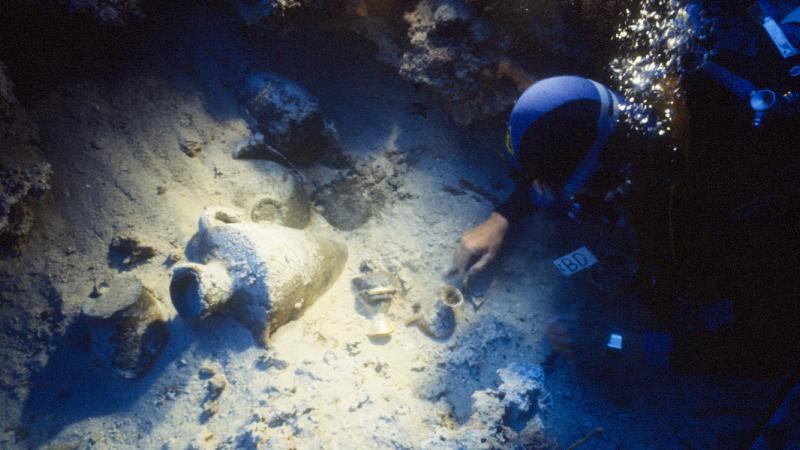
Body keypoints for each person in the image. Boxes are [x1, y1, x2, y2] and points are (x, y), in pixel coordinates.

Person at [453, 75, 623, 279]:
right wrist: (501, 218)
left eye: (544, 180)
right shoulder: (583, 136)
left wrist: (561, 270)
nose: (534, 186)